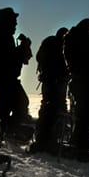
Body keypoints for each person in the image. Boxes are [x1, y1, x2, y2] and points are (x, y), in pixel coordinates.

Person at [0, 7, 33, 141]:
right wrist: (22, 49)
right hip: (5, 78)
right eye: (14, 21)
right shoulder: (3, 38)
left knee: (8, 104)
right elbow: (7, 59)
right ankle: (7, 131)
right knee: (17, 103)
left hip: (4, 78)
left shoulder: (4, 36)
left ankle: (5, 131)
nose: (16, 24)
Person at [63, 18, 89, 161]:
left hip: (77, 80)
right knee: (85, 116)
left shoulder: (72, 38)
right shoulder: (80, 39)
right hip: (83, 81)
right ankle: (81, 150)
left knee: (82, 115)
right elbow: (88, 57)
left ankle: (76, 146)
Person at [28, 26, 68, 154]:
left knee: (47, 108)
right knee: (54, 110)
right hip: (55, 82)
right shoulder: (58, 49)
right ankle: (50, 141)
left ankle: (42, 139)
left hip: (47, 81)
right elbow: (60, 66)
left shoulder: (48, 44)